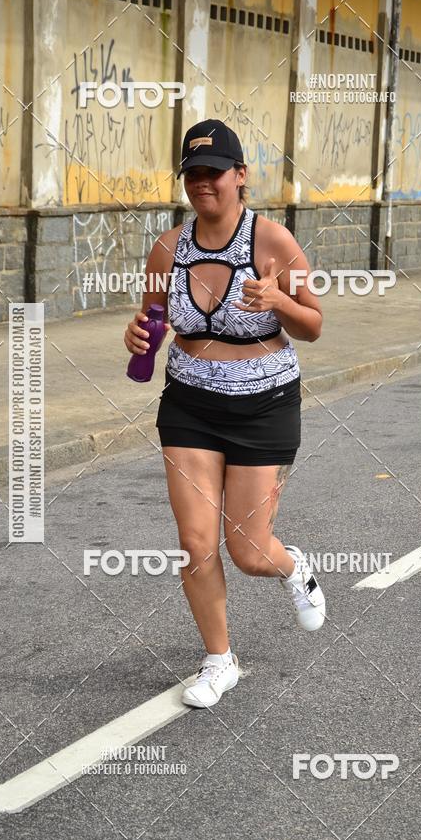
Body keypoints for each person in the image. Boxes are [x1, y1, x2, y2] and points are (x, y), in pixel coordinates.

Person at [123, 119, 326, 709]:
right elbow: (154, 320)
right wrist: (140, 337)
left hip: (264, 407)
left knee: (249, 549)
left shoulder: (273, 243)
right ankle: (219, 661)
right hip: (189, 405)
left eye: (214, 172)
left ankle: (294, 569)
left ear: (241, 176)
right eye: (192, 174)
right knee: (195, 540)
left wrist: (279, 300)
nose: (202, 184)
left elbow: (312, 325)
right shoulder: (167, 248)